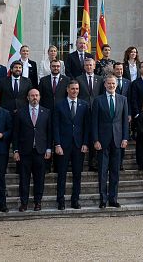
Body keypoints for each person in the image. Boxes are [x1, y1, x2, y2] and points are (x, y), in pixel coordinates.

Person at [91, 75, 129, 208]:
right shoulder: (98, 100)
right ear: (105, 85)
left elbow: (125, 121)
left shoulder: (123, 99)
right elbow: (94, 122)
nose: (111, 86)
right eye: (109, 83)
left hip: (118, 140)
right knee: (102, 171)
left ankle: (113, 198)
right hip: (102, 140)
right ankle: (103, 199)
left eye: (113, 83)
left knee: (115, 171)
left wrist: (125, 138)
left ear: (116, 85)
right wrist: (95, 139)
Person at [12, 89, 52, 212]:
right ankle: (24, 203)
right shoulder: (20, 112)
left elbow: (49, 133)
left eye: (36, 95)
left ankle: (37, 202)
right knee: (24, 179)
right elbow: (15, 133)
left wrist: (49, 148)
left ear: (39, 97)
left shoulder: (46, 112)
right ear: (28, 98)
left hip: (40, 151)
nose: (34, 98)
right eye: (32, 96)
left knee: (39, 179)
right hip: (24, 151)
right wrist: (15, 150)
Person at [52, 80, 89, 210]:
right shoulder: (59, 105)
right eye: (72, 89)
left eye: (77, 89)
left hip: (79, 145)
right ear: (67, 89)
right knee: (61, 174)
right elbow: (55, 126)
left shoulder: (84, 105)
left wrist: (85, 143)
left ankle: (75, 200)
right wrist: (57, 144)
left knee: (77, 174)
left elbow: (86, 126)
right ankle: (60, 201)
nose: (75, 91)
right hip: (63, 145)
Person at [112, 62, 131, 170]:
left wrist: (129, 113)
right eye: (117, 69)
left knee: (123, 138)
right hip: (113, 114)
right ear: (114, 70)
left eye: (121, 69)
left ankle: (120, 163)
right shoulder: (110, 82)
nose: (119, 71)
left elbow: (131, 98)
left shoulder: (128, 82)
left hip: (124, 114)